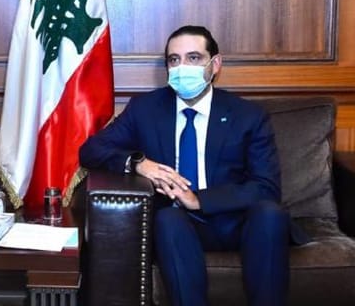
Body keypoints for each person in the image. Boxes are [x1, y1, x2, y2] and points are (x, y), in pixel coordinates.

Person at [79, 25, 305, 306]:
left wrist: (199, 199)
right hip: (179, 223)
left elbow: (266, 187)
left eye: (194, 58)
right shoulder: (146, 109)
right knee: (167, 219)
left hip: (237, 219)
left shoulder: (248, 115)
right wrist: (138, 163)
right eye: (174, 60)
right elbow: (91, 150)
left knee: (270, 213)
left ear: (215, 64)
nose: (182, 67)